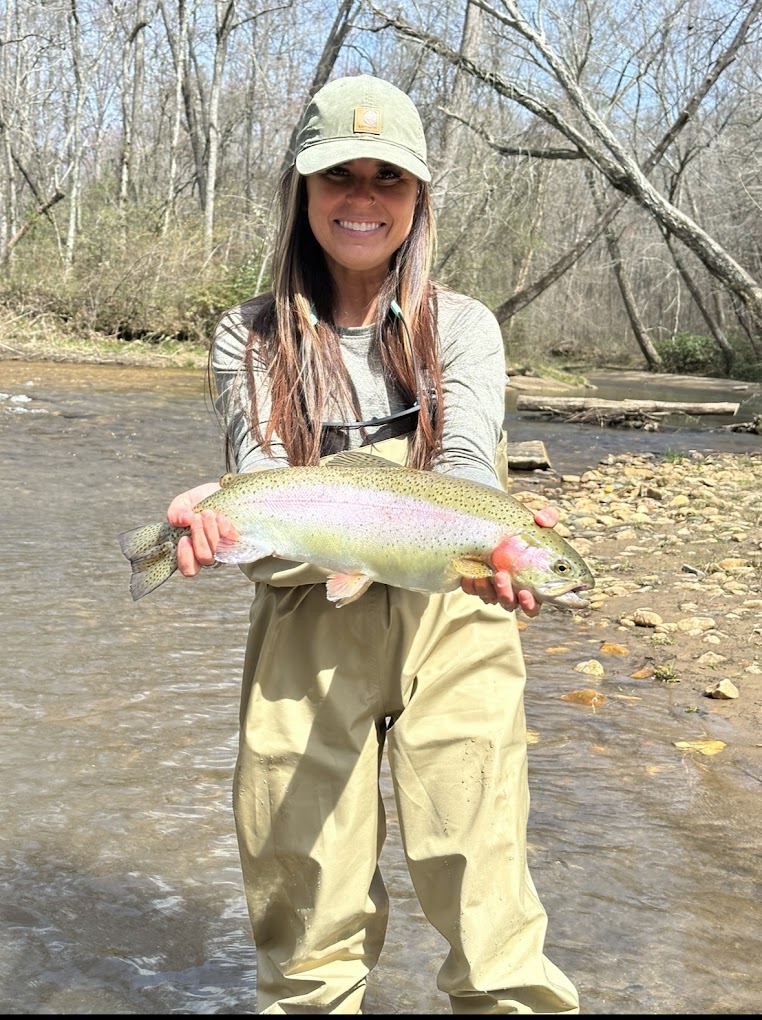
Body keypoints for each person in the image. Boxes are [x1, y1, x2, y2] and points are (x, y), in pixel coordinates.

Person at [167, 75, 579, 1015]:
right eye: (338, 177)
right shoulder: (249, 336)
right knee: (305, 923)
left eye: (386, 180)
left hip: (453, 618)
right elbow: (266, 498)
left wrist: (498, 543)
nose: (362, 199)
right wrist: (221, 524)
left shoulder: (464, 327)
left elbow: (470, 462)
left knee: (491, 919)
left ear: (418, 199)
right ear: (301, 193)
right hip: (306, 628)